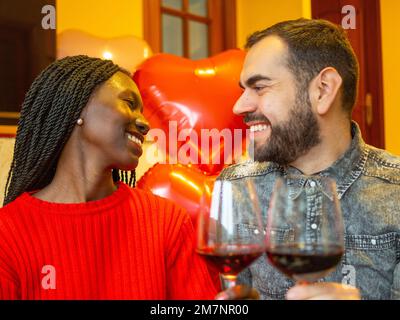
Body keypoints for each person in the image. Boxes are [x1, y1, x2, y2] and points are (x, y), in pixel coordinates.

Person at [0, 55, 218, 299]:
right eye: (129, 102)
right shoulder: (7, 233)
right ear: (78, 106)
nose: (145, 123)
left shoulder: (166, 221)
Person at [217, 18, 400, 300]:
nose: (239, 105)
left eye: (260, 87)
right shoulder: (235, 188)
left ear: (323, 90)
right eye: (243, 89)